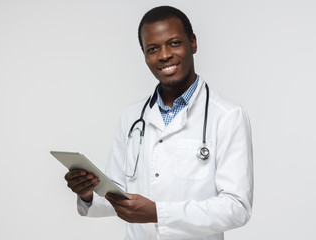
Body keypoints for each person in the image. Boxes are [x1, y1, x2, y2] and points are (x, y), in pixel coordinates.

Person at [64, 5, 253, 240]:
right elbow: (118, 198)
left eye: (174, 43)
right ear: (144, 55)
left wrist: (158, 213)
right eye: (152, 49)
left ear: (192, 43)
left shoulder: (228, 115)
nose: (164, 55)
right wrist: (88, 194)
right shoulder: (132, 117)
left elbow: (237, 208)